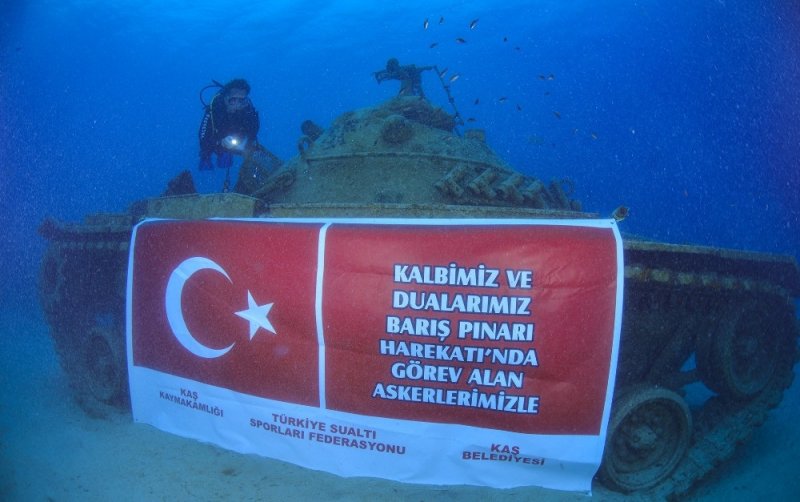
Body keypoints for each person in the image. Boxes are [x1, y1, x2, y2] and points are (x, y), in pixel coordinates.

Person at [198, 79, 260, 174]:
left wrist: (247, 144)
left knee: (252, 151)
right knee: (206, 155)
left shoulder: (247, 109)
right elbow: (203, 137)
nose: (237, 105)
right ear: (225, 97)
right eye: (233, 100)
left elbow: (253, 130)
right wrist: (220, 142)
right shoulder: (215, 109)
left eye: (241, 100)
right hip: (216, 140)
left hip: (237, 140)